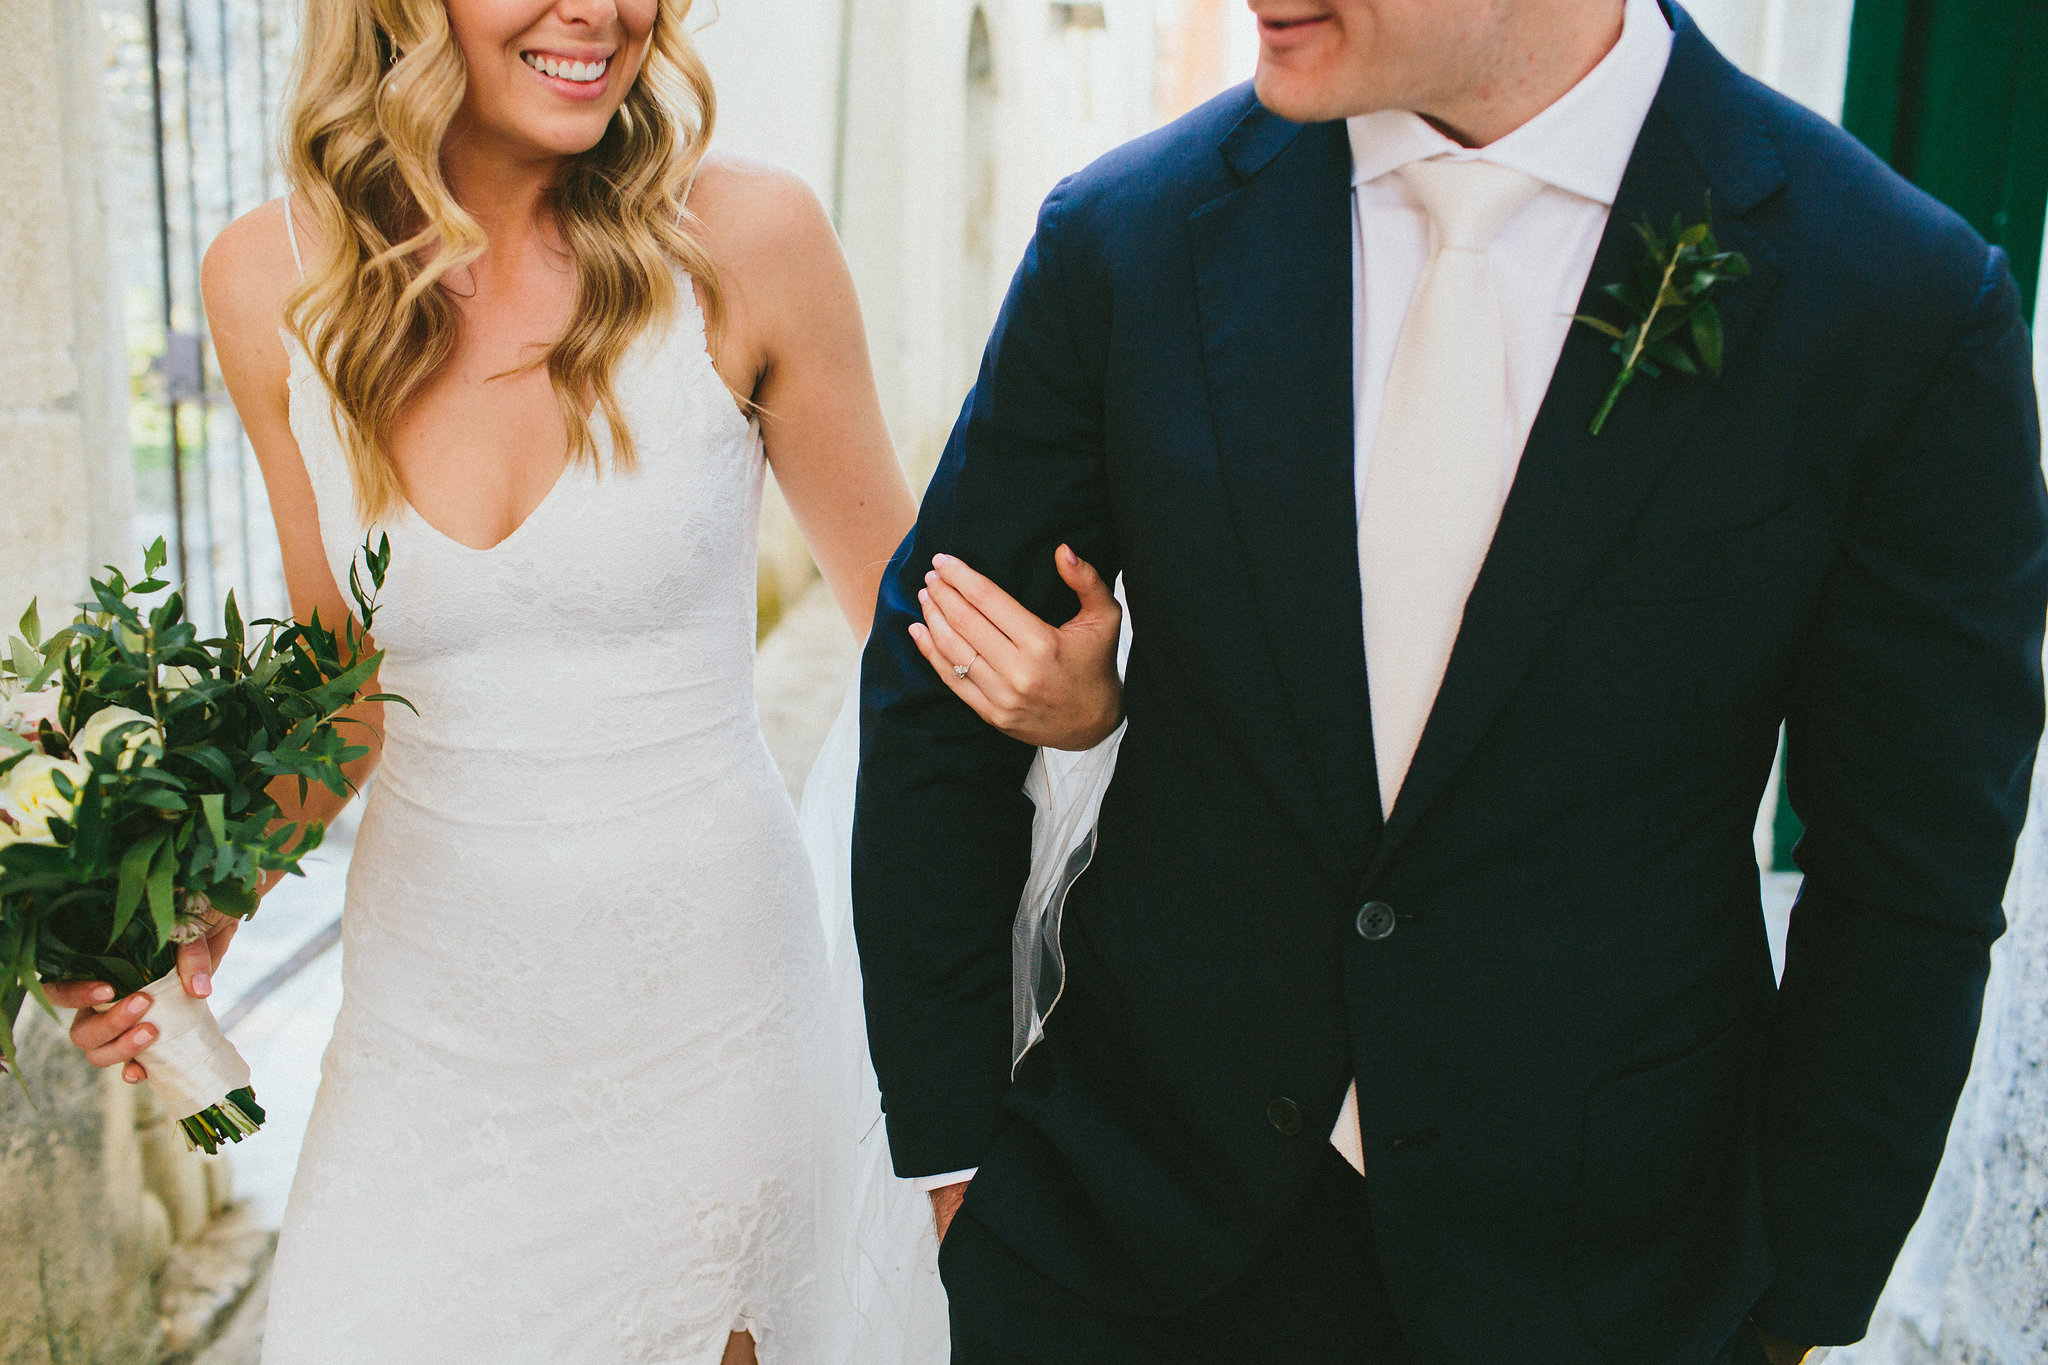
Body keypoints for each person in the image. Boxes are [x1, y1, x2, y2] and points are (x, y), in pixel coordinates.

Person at [853, 0, 2048, 1360]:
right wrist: (960, 1174)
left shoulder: (1894, 303)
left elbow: (1913, 883)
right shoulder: (1128, 237)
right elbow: (930, 678)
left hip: (1605, 1287)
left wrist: (1791, 1313)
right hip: (1123, 1253)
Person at [44, 1, 1121, 1361]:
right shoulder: (269, 284)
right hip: (421, 1058)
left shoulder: (751, 243)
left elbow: (908, 643)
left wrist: (1076, 705)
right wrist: (201, 898)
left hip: (708, 1036)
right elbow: (345, 689)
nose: (600, 12)